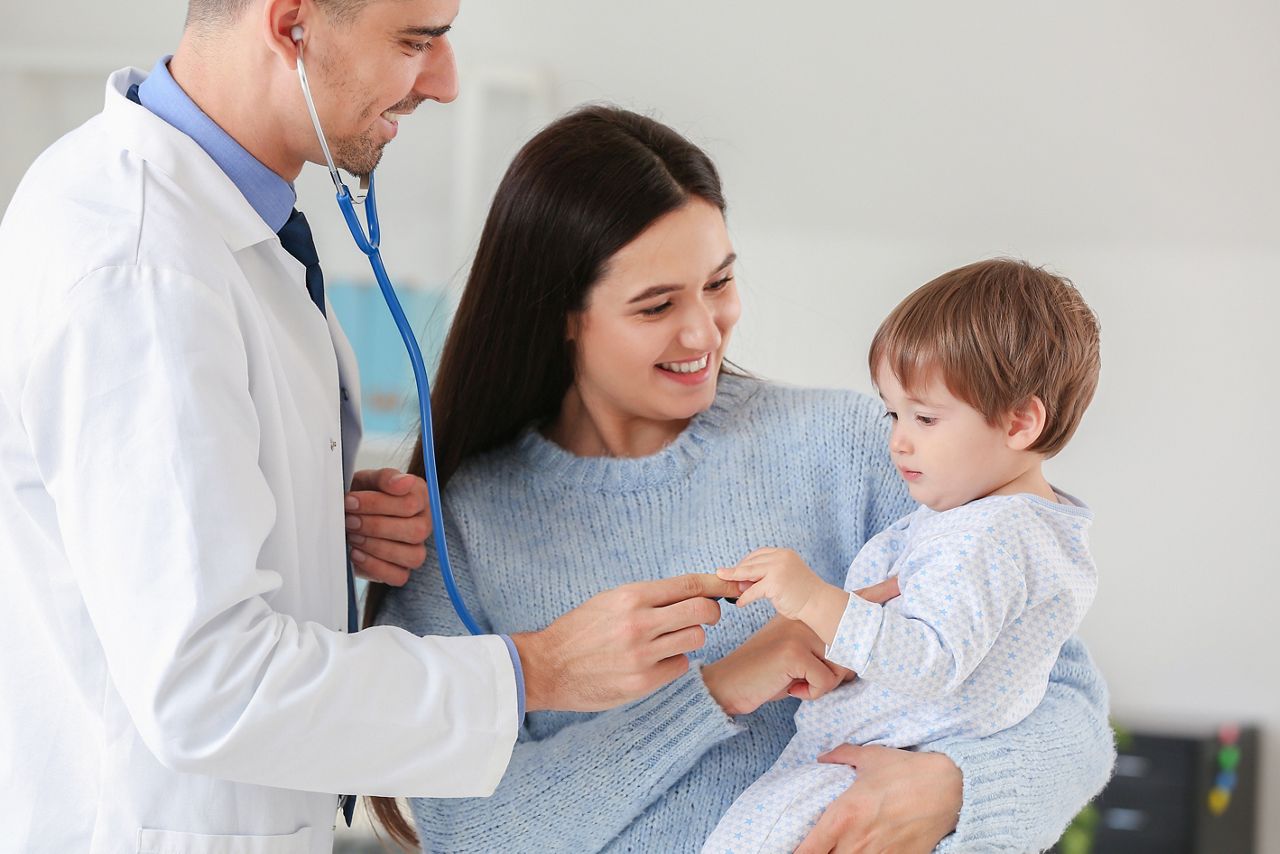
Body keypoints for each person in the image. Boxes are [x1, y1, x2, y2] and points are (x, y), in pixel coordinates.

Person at [0, 2, 737, 851]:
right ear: (289, 26)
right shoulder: (142, 268)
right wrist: (540, 668)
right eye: (416, 42)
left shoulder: (202, 224)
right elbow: (209, 684)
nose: (447, 82)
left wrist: (303, 505)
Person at [373, 106, 1116, 853]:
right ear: (563, 313)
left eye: (720, 282)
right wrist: (716, 690)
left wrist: (955, 790)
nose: (703, 332)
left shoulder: (863, 448)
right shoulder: (465, 524)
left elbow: (1068, 706)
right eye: (656, 305)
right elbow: (468, 832)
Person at [703, 259, 1101, 853]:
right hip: (873, 764)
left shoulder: (987, 537)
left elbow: (929, 661)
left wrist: (816, 601)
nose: (898, 438)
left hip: (870, 774)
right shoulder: (999, 521)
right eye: (893, 412)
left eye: (925, 417)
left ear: (1020, 421)